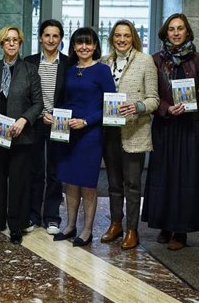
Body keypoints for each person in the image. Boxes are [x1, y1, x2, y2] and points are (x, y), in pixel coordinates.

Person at [141, 14, 199, 250]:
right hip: (165, 124)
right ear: (165, 33)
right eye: (171, 29)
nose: (176, 33)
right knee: (164, 175)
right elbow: (149, 93)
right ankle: (164, 224)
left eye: (180, 29)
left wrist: (195, 107)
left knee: (188, 177)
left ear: (188, 32)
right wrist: (166, 108)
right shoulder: (155, 61)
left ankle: (181, 230)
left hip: (192, 126)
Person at [52, 27, 115, 246]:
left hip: (90, 134)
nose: (84, 47)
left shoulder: (102, 71)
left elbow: (110, 106)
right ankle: (70, 226)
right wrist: (54, 117)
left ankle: (87, 230)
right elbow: (63, 100)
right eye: (79, 43)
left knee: (87, 183)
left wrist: (87, 121)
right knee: (69, 181)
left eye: (88, 43)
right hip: (67, 132)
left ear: (95, 46)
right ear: (74, 46)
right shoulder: (69, 69)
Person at [101, 19, 159, 250]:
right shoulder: (104, 62)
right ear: (112, 38)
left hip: (134, 130)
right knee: (113, 183)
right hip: (110, 131)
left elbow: (154, 98)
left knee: (132, 183)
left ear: (133, 37)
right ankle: (116, 223)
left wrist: (138, 106)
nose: (122, 39)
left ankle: (132, 229)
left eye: (126, 35)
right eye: (117, 35)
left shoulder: (145, 62)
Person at [0, 26, 42, 245]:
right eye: (7, 40)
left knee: (18, 181)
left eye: (16, 40)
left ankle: (16, 225)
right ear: (1, 44)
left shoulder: (30, 70)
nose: (12, 43)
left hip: (20, 135)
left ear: (21, 43)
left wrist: (24, 119)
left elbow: (38, 103)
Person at [24, 19, 68, 235]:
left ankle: (52, 216)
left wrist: (57, 116)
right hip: (34, 123)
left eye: (55, 36)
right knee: (34, 170)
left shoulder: (68, 64)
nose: (51, 40)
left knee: (54, 171)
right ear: (40, 37)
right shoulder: (29, 62)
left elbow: (70, 97)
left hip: (58, 123)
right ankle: (33, 214)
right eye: (47, 35)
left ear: (61, 39)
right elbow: (24, 95)